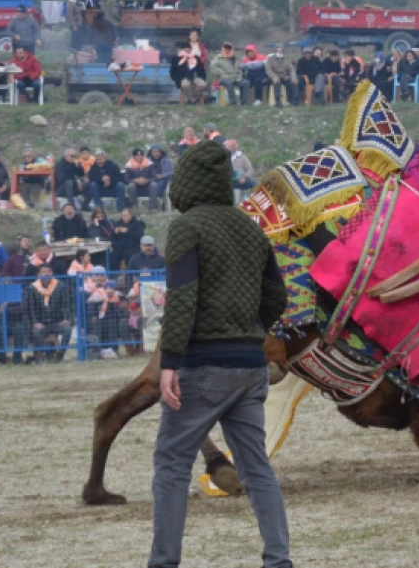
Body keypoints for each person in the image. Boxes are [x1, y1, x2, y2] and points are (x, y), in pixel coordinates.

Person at [149, 140, 291, 568]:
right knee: (257, 468)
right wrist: (249, 330)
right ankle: (279, 561)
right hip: (250, 366)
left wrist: (170, 361)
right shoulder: (250, 228)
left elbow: (182, 297)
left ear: (186, 182)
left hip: (202, 365)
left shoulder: (187, 227)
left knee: (171, 461)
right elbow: (277, 298)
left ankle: (163, 562)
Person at [22, 264, 73, 363]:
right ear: (38, 274)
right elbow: (30, 308)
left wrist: (65, 318)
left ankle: (60, 354)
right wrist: (35, 322)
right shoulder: (32, 288)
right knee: (36, 331)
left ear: (52, 273)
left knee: (67, 329)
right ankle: (49, 354)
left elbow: (66, 304)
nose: (46, 274)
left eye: (48, 271)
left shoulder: (60, 286)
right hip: (41, 322)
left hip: (56, 321)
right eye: (43, 272)